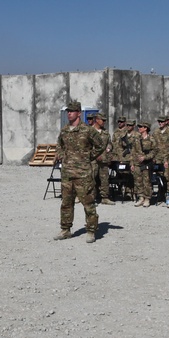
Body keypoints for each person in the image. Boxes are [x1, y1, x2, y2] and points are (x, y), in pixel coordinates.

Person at [55, 101, 106, 242]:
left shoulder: (87, 130)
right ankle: (65, 229)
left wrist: (89, 156)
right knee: (66, 203)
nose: (69, 113)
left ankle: (91, 230)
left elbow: (101, 145)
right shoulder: (64, 130)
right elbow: (59, 145)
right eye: (68, 111)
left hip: (83, 173)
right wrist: (61, 154)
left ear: (78, 113)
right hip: (67, 173)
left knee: (88, 202)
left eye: (72, 111)